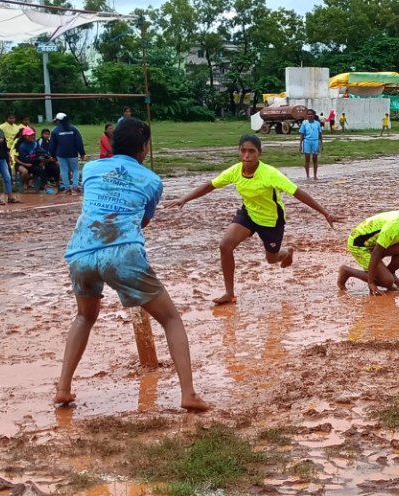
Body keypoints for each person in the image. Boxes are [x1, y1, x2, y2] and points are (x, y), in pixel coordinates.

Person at [56, 117, 209, 412]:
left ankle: (63, 388)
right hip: (123, 253)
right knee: (171, 319)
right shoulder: (152, 180)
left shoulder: (90, 169)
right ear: (144, 148)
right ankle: (188, 393)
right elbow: (144, 220)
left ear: (112, 143)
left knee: (84, 317)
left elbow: (97, 204)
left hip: (81, 252)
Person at [165, 135, 340, 305]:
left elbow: (298, 193)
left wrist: (325, 213)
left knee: (271, 259)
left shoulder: (270, 173)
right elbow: (210, 185)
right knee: (225, 245)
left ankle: (286, 253)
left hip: (271, 220)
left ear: (259, 153)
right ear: (239, 152)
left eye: (252, 152)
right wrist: (184, 199)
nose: (247, 156)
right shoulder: (234, 171)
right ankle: (229, 293)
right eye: (243, 151)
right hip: (248, 214)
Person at [337, 195, 399, 295]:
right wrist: (371, 283)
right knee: (387, 281)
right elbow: (376, 253)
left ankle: (387, 274)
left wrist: (392, 273)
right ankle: (347, 271)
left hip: (374, 244)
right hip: (359, 244)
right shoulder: (395, 224)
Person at [49, 112, 86, 194]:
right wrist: (82, 153)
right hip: (73, 153)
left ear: (58, 121)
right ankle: (75, 186)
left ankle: (67, 188)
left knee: (64, 170)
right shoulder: (74, 129)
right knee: (75, 169)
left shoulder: (55, 131)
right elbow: (79, 142)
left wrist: (52, 154)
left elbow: (52, 144)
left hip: (61, 154)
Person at [14, 127, 47, 191]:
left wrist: (45, 156)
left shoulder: (35, 143)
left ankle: (44, 186)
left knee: (42, 170)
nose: (32, 136)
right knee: (25, 171)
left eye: (33, 135)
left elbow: (41, 151)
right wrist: (38, 159)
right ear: (25, 136)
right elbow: (25, 159)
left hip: (31, 163)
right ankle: (25, 182)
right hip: (23, 163)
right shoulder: (22, 146)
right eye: (30, 135)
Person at [299, 109, 323, 179]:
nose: (310, 116)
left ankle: (315, 176)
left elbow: (320, 134)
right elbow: (302, 134)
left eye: (311, 114)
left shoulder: (317, 123)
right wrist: (300, 144)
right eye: (308, 114)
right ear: (307, 115)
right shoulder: (304, 123)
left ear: (314, 115)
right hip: (307, 142)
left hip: (315, 142)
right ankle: (307, 176)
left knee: (315, 159)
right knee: (307, 159)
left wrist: (321, 144)